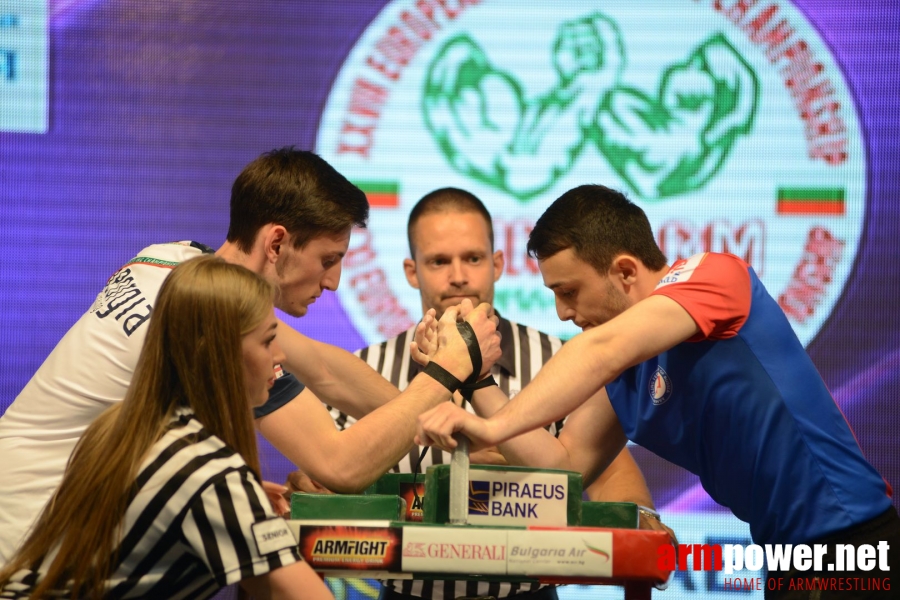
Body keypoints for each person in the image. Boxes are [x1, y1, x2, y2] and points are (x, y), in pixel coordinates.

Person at [0, 148, 500, 563]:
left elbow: (325, 369)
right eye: (328, 260)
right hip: (32, 541)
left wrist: (460, 434)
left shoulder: (176, 262)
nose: (333, 281)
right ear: (277, 242)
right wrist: (446, 371)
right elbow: (340, 464)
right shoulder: (216, 325)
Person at [415, 185, 900, 599]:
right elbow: (563, 467)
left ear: (625, 272)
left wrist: (490, 427)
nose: (563, 312)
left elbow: (597, 350)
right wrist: (477, 379)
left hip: (854, 542)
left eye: (569, 291)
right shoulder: (624, 369)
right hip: (786, 556)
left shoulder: (715, 277)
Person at [312, 188, 660, 600]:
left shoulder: (562, 360)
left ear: (497, 264)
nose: (458, 276)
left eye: (473, 258)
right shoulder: (364, 368)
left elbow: (613, 478)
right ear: (411, 271)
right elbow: (320, 483)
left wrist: (643, 521)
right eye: (439, 261)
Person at [0, 256, 331, 599]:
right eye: (267, 340)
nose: (281, 356)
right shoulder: (207, 471)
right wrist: (236, 495)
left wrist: (245, 498)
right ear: (217, 352)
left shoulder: (121, 427)